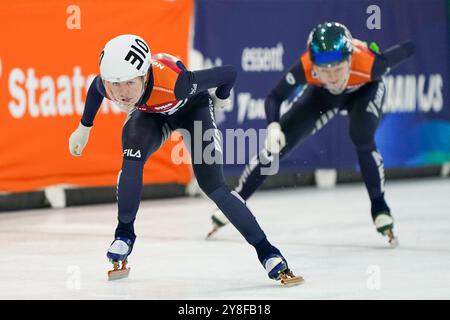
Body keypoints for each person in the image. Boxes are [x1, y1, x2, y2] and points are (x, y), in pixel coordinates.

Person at [68, 34, 302, 285]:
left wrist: (221, 98)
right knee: (131, 160)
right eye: (115, 85)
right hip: (152, 116)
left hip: (192, 110)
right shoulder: (107, 84)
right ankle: (124, 234)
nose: (121, 93)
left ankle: (267, 252)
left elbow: (229, 74)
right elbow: (95, 88)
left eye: (129, 84)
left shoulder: (178, 83)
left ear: (145, 75)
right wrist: (84, 128)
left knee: (214, 186)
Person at [207, 22, 415, 247]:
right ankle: (238, 197)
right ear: (315, 66)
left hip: (364, 91)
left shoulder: (372, 64)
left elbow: (409, 47)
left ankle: (379, 207)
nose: (334, 77)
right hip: (322, 94)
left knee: (361, 135)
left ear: (350, 60)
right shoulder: (306, 66)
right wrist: (273, 126)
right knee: (277, 144)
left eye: (338, 69)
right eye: (325, 70)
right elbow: (275, 97)